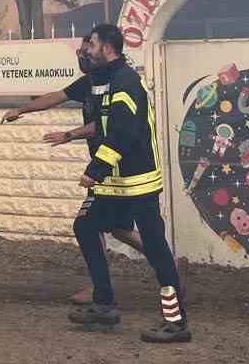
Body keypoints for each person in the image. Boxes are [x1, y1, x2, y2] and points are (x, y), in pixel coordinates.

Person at [61, 25, 191, 343]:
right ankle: (104, 305)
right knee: (86, 226)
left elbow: (122, 133)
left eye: (89, 44)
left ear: (107, 48)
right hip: (114, 180)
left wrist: (95, 169)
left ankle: (176, 323)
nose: (84, 49)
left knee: (156, 248)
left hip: (137, 181)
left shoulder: (126, 83)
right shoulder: (104, 80)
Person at [1, 44, 146, 303]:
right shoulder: (90, 82)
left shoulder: (118, 82)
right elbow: (57, 96)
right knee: (119, 228)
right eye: (81, 51)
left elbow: (109, 124)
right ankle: (169, 266)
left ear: (106, 50)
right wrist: (21, 110)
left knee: (87, 225)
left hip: (111, 166)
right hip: (108, 166)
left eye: (88, 49)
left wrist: (70, 134)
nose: (83, 55)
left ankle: (99, 290)